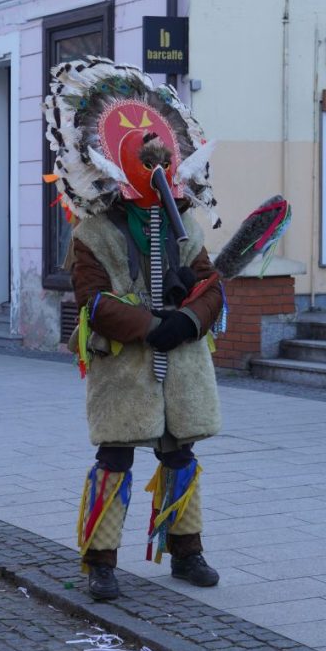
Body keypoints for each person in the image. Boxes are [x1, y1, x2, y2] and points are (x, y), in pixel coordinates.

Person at [44, 57, 226, 601]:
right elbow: (93, 302)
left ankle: (187, 551)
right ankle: (100, 561)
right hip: (126, 366)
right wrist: (152, 327)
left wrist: (188, 320)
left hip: (182, 364)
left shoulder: (184, 223)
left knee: (180, 455)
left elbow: (212, 285)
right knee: (115, 460)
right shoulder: (91, 232)